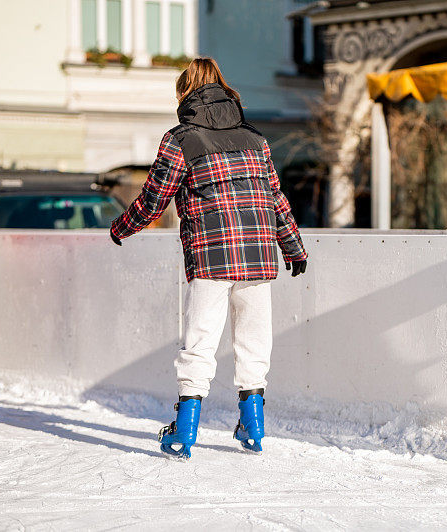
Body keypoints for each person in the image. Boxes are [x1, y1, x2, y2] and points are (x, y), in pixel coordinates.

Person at [110, 58, 308, 460]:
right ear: (223, 88)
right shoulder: (256, 139)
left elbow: (154, 199)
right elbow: (275, 197)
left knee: (199, 340)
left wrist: (122, 228)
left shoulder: (181, 138)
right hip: (257, 251)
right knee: (253, 342)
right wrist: (294, 247)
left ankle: (184, 431)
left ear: (185, 93)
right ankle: (253, 427)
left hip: (211, 254)